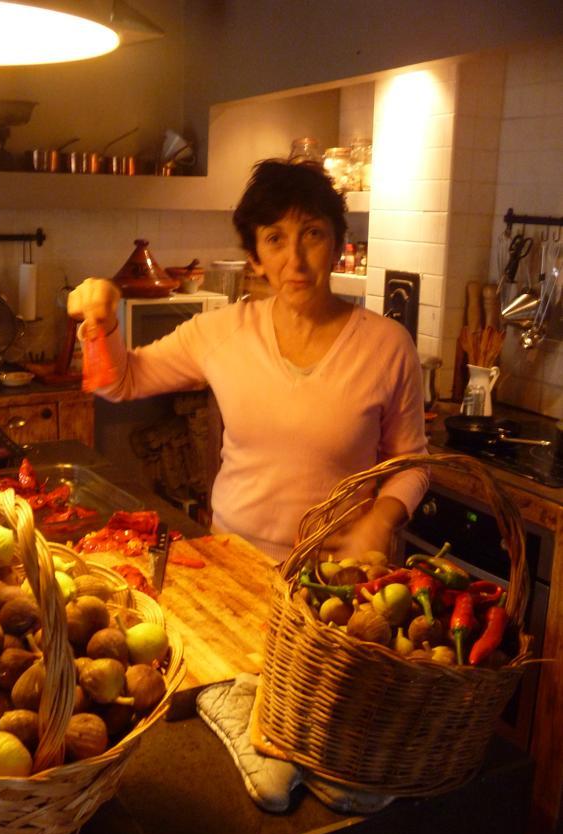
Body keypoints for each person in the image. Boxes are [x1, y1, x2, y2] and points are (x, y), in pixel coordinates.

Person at [67, 159, 428, 563]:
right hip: (232, 563)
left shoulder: (387, 346)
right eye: (275, 239)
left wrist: (380, 521)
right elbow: (120, 382)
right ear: (255, 258)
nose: (296, 259)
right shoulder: (221, 333)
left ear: (336, 243)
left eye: (312, 234)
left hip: (334, 577)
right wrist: (101, 322)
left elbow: (411, 464)